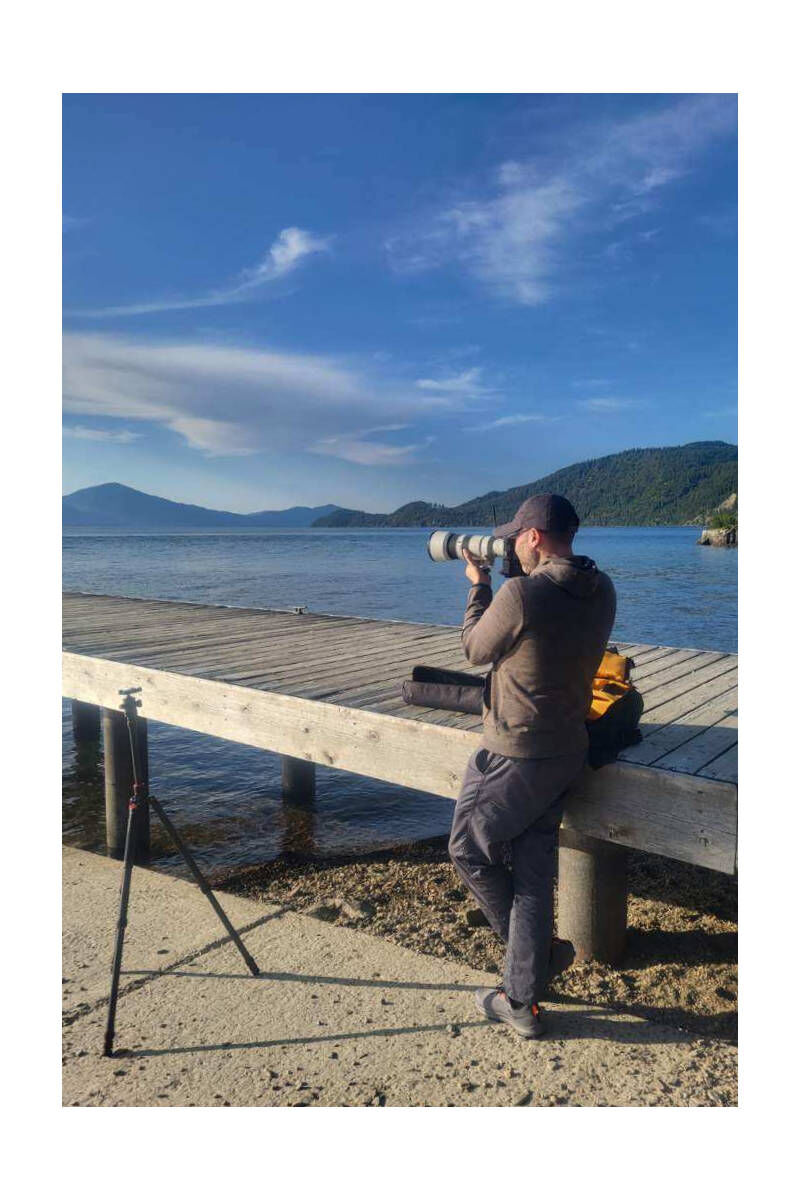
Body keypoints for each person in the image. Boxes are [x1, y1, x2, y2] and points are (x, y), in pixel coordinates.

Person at [448, 493, 616, 1038]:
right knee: (533, 872)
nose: (511, 546)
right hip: (567, 750)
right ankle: (520, 999)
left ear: (534, 537)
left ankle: (538, 958)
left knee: (468, 850)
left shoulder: (521, 593)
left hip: (514, 754)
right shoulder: (602, 588)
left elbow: (475, 649)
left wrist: (478, 586)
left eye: (516, 537)